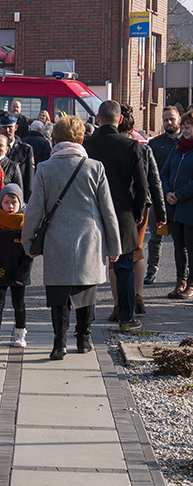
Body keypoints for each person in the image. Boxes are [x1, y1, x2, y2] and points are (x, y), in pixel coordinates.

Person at [23, 117, 121, 359]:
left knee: (58, 294)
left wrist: (28, 240)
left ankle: (59, 342)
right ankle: (84, 340)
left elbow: (34, 209)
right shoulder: (95, 167)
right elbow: (107, 209)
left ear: (55, 139)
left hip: (56, 238)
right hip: (90, 238)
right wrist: (114, 245)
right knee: (86, 290)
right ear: (81, 139)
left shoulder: (45, 168)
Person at [84, 100, 149, 328]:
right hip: (122, 212)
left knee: (89, 267)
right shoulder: (131, 146)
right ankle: (126, 316)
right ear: (120, 119)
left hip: (92, 211)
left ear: (98, 119)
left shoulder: (87, 146)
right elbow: (141, 185)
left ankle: (86, 318)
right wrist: (138, 212)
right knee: (125, 266)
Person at [105, 105, 165, 316]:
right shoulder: (143, 149)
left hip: (113, 206)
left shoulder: (109, 147)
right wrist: (160, 212)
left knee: (114, 255)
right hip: (140, 207)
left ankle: (118, 304)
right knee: (136, 252)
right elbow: (154, 182)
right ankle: (138, 296)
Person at [0, 184, 33, 352]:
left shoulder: (26, 222)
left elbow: (29, 252)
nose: (10, 206)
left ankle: (20, 333)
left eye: (14, 202)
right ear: (0, 202)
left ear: (21, 203)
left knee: (19, 304)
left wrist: (23, 274)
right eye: (6, 202)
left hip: (19, 271)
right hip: (0, 269)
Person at [146, 106, 181, 284]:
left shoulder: (186, 143)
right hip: (158, 198)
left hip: (181, 198)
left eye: (172, 119)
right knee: (155, 237)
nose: (169, 123)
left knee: (181, 240)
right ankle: (151, 270)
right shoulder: (154, 144)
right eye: (166, 120)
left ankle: (183, 274)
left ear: (179, 119)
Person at [160, 110, 193, 300]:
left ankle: (191, 284)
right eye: (184, 127)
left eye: (189, 127)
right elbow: (164, 172)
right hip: (173, 207)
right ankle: (180, 281)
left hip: (189, 207)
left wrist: (178, 195)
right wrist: (167, 192)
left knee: (191, 246)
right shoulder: (177, 148)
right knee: (178, 246)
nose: (185, 130)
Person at [0, 114, 35, 202]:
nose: (7, 130)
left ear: (16, 127)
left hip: (16, 198)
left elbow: (29, 178)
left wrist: (26, 201)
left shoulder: (25, 149)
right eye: (4, 127)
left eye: (10, 127)